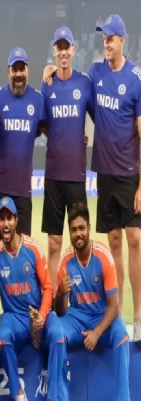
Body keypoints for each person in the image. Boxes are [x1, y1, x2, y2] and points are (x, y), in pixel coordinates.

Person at [0, 196, 62, 401]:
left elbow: (48, 287)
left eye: (9, 218)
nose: (5, 224)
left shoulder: (32, 248)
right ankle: (19, 397)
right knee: (2, 336)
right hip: (15, 317)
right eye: (1, 219)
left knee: (58, 335)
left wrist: (42, 316)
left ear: (16, 220)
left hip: (38, 312)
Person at [50, 203, 130, 401]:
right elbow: (61, 311)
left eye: (81, 228)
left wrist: (96, 333)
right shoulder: (66, 260)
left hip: (102, 316)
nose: (78, 234)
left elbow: (114, 305)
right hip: (76, 318)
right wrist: (60, 293)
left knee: (122, 334)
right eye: (74, 230)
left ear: (89, 229)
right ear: (69, 232)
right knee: (56, 333)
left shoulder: (103, 257)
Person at [86, 15, 141, 335]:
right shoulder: (95, 73)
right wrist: (51, 71)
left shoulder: (136, 78)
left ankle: (139, 316)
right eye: (104, 39)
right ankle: (117, 313)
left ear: (122, 40)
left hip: (130, 174)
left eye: (110, 38)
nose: (106, 44)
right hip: (105, 173)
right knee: (115, 242)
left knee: (135, 239)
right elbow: (84, 101)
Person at [39, 27, 93, 292]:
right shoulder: (46, 85)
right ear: (54, 51)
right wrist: (64, 133)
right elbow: (43, 124)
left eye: (66, 47)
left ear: (73, 50)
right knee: (54, 243)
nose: (62, 52)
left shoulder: (84, 83)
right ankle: (52, 299)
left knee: (81, 241)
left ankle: (83, 296)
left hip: (76, 176)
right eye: (58, 47)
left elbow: (99, 118)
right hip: (53, 175)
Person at [0, 48, 45, 237]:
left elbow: (45, 129)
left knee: (24, 244)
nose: (19, 74)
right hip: (1, 186)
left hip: (23, 188)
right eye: (15, 69)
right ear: (8, 71)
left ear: (28, 70)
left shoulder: (37, 100)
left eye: (22, 69)